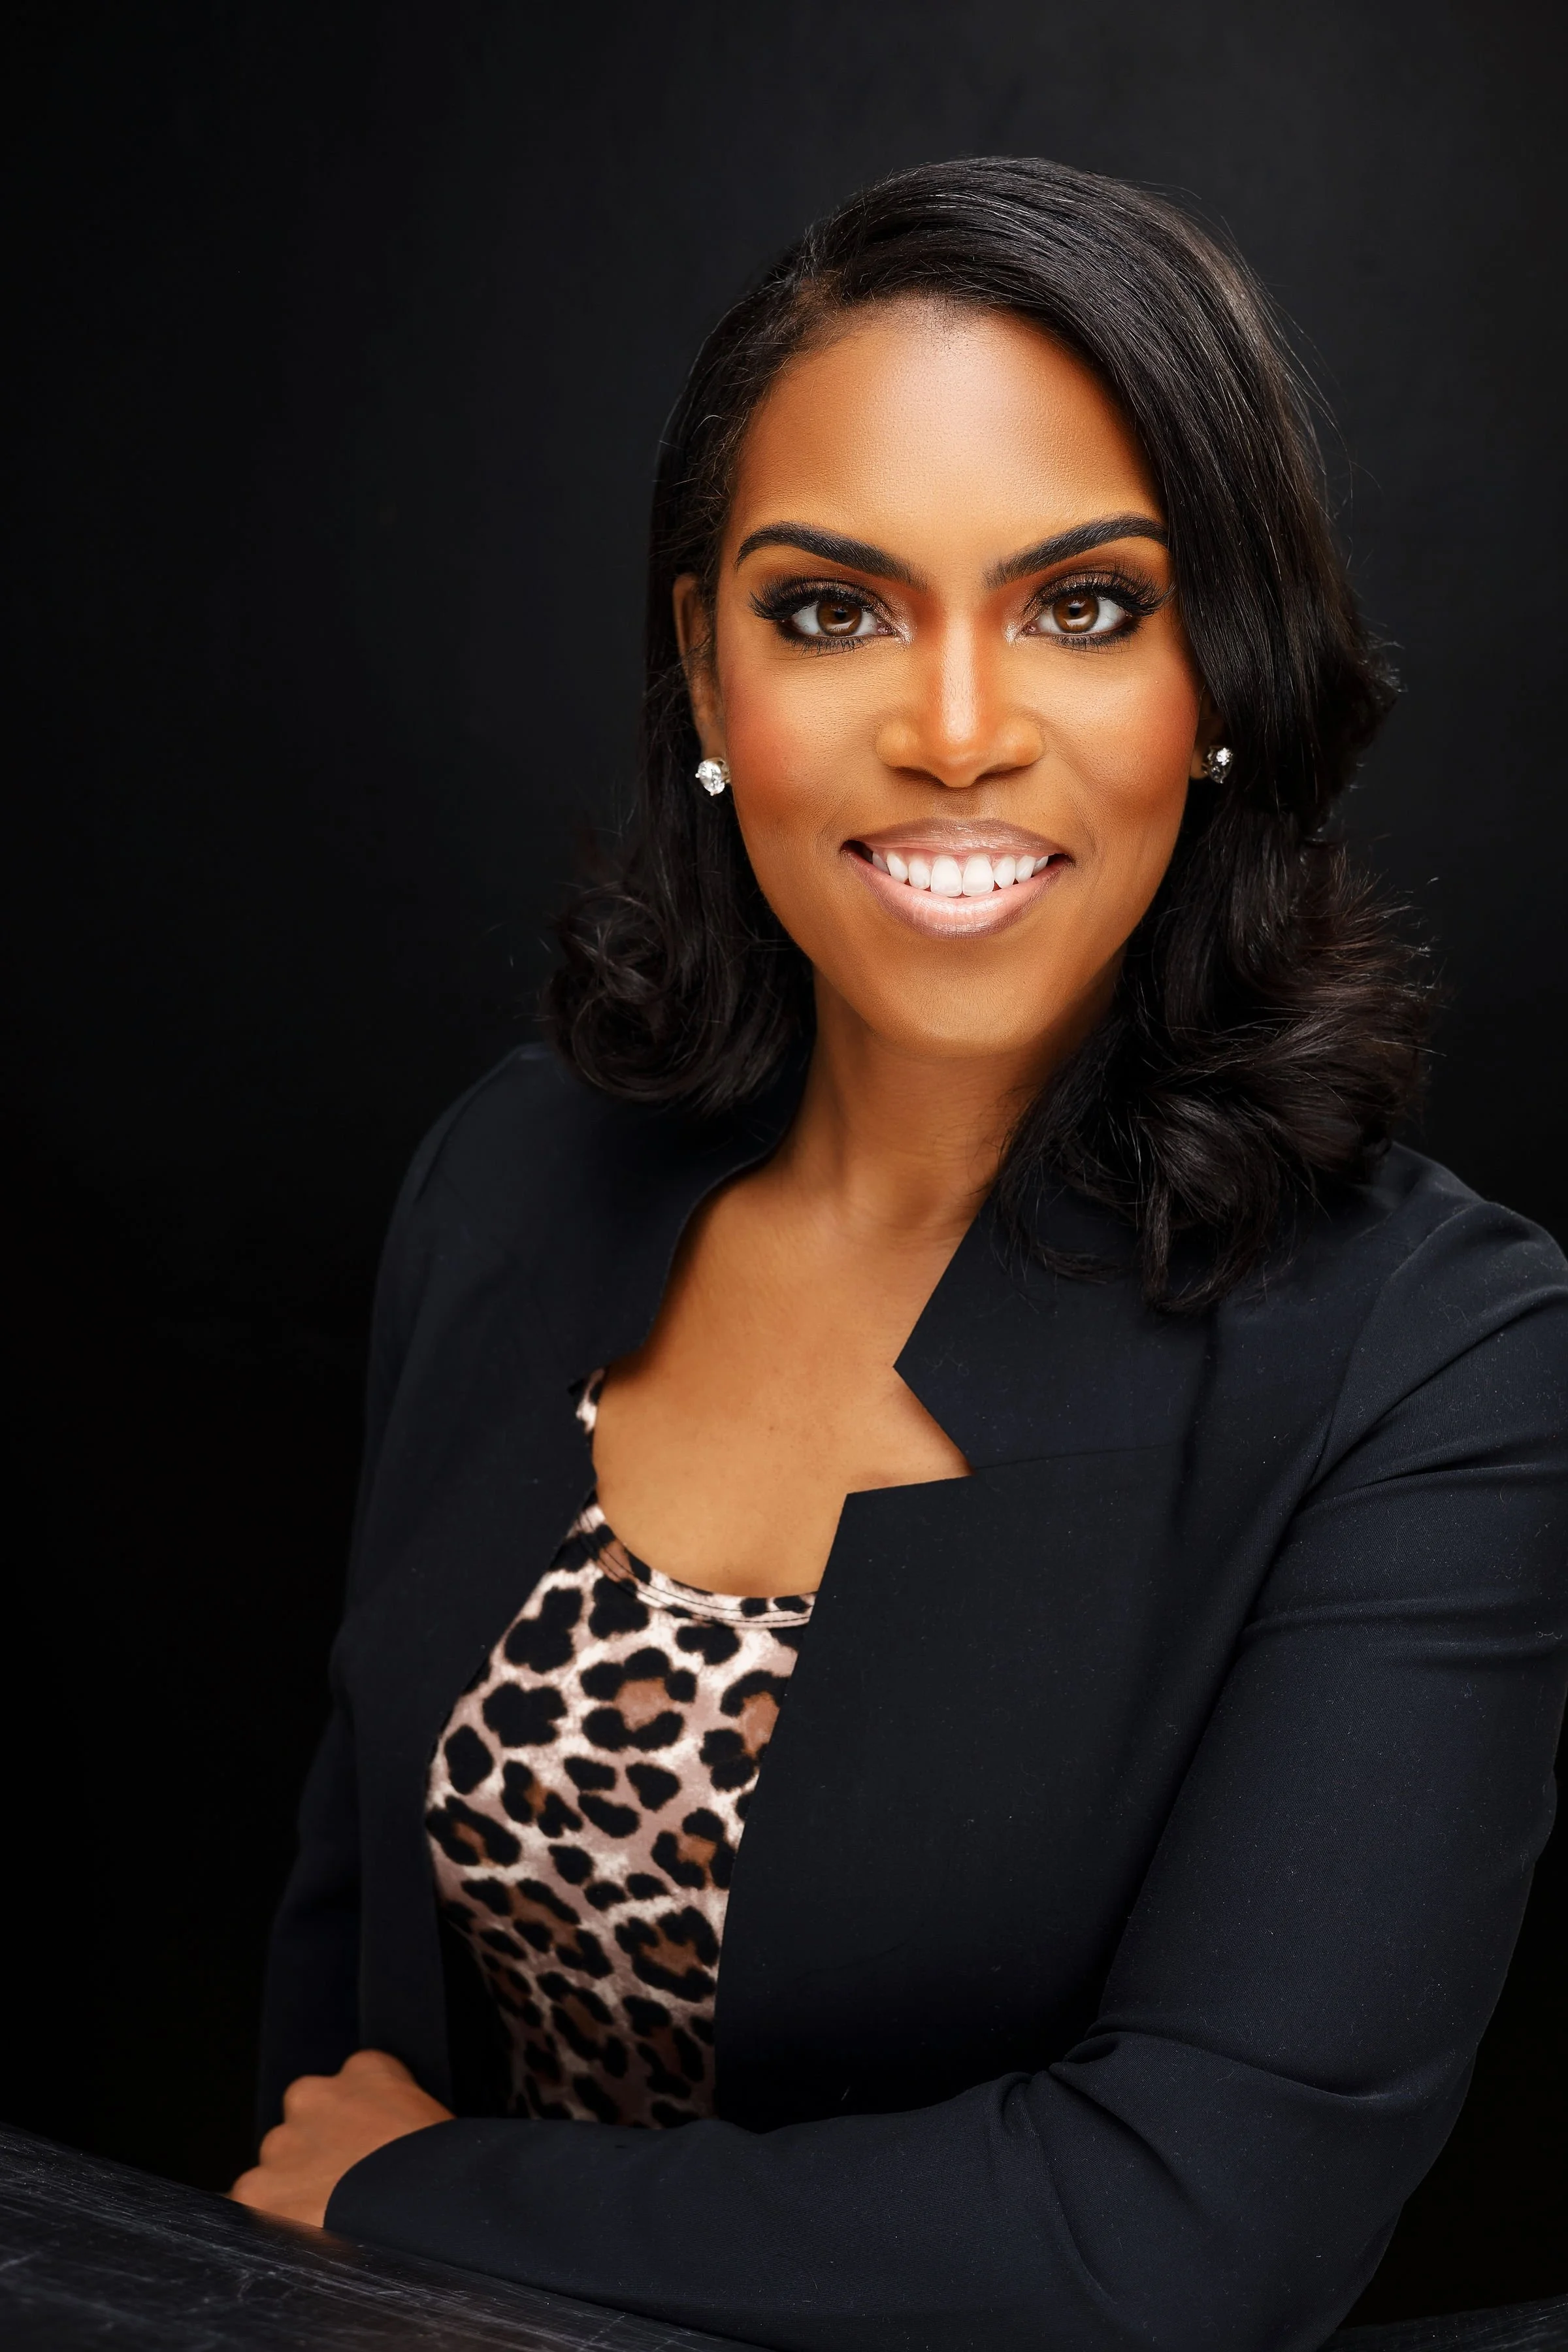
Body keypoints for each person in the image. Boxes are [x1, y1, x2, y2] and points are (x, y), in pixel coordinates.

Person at [233, 157, 1568, 2351]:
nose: (956, 728)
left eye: (1085, 605)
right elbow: (335, 1979)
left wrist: (433, 2203)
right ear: (701, 662)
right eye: (833, 610)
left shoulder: (1438, 1362)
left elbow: (1179, 2243)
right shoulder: (510, 1178)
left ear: (1224, 668)